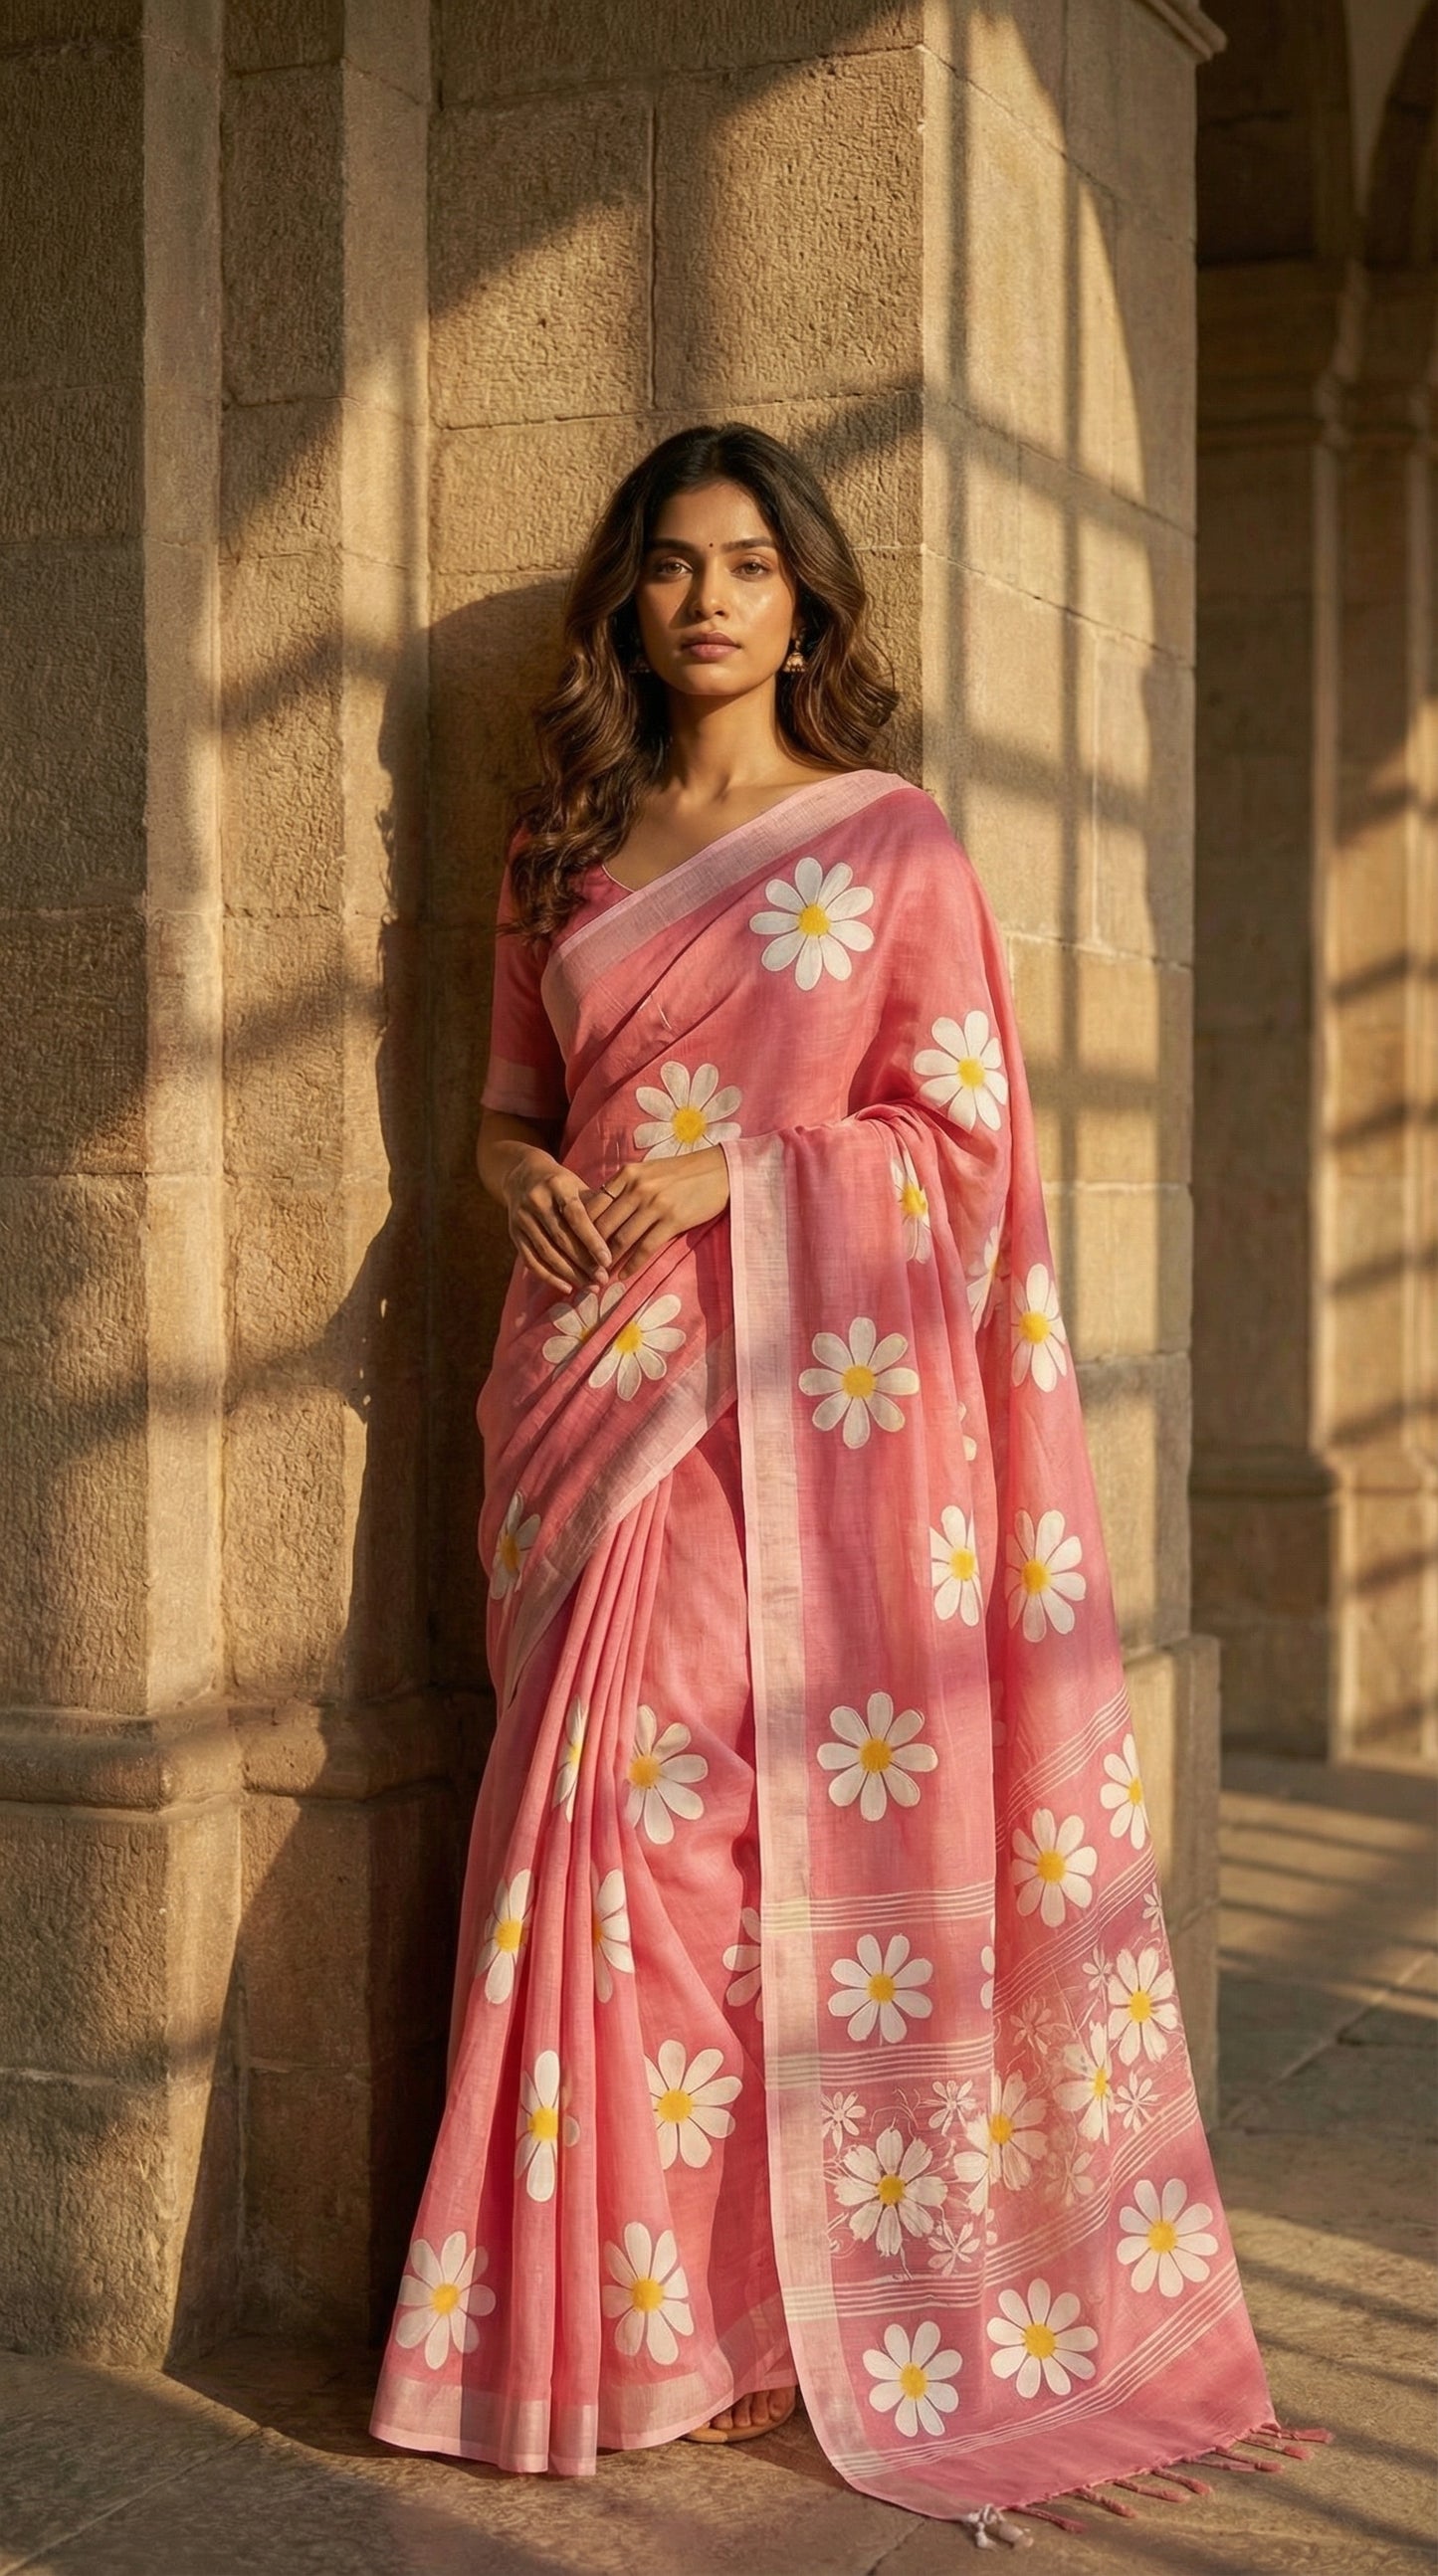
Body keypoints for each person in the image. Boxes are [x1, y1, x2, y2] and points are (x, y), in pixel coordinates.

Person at [368, 423, 1294, 2538]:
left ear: (808, 599)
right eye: (676, 565)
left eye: (749, 565)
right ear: (631, 595)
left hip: (780, 1396)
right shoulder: (564, 846)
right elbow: (512, 1114)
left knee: (689, 1830)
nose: (709, 599)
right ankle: (607, 2315)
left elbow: (964, 1161)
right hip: (582, 1382)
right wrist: (530, 1187)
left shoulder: (893, 853)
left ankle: (735, 2308)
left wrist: (735, 1171)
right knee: (575, 1823)